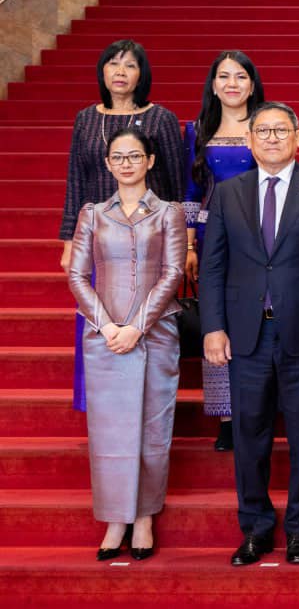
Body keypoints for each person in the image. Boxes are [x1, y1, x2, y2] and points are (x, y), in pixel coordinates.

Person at [200, 102, 299, 567]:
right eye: (262, 131)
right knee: (249, 435)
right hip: (245, 334)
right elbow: (213, 267)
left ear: (298, 137)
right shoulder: (228, 193)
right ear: (249, 140)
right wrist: (213, 327)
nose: (271, 138)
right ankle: (256, 529)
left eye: (280, 130)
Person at [68, 129, 185, 562]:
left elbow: (173, 273)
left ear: (150, 161)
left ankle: (145, 516)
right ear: (108, 163)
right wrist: (108, 325)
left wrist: (137, 325)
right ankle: (116, 518)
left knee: (154, 427)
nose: (126, 163)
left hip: (156, 331)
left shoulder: (169, 213)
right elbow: (77, 275)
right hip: (104, 336)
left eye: (135, 156)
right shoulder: (93, 214)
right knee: (109, 431)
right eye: (118, 157)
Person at [59, 39, 183, 412]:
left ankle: (147, 402)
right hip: (98, 236)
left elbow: (176, 184)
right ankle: (99, 405)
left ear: (141, 74)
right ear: (102, 71)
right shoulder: (86, 118)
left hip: (150, 237)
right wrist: (69, 241)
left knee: (145, 318)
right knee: (99, 316)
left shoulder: (160, 118)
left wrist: (185, 240)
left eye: (130, 65)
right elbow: (76, 181)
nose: (120, 72)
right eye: (113, 64)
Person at [181, 51, 264, 451]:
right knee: (216, 323)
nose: (233, 83)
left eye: (241, 76)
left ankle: (258, 410)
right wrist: (188, 244)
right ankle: (227, 418)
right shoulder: (198, 130)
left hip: (259, 237)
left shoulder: (266, 124)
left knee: (257, 319)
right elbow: (190, 190)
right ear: (213, 85)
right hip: (211, 236)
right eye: (224, 76)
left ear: (252, 84)